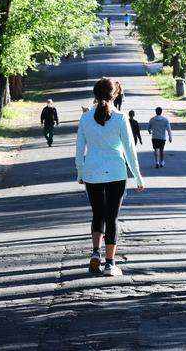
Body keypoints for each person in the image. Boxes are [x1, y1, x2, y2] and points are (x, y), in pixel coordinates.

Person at [76, 78, 144, 277]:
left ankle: (95, 251)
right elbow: (130, 150)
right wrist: (138, 176)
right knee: (112, 217)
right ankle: (110, 263)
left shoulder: (85, 118)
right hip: (116, 171)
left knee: (98, 214)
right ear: (115, 95)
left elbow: (80, 148)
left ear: (95, 95)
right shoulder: (121, 118)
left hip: (92, 171)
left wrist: (80, 172)